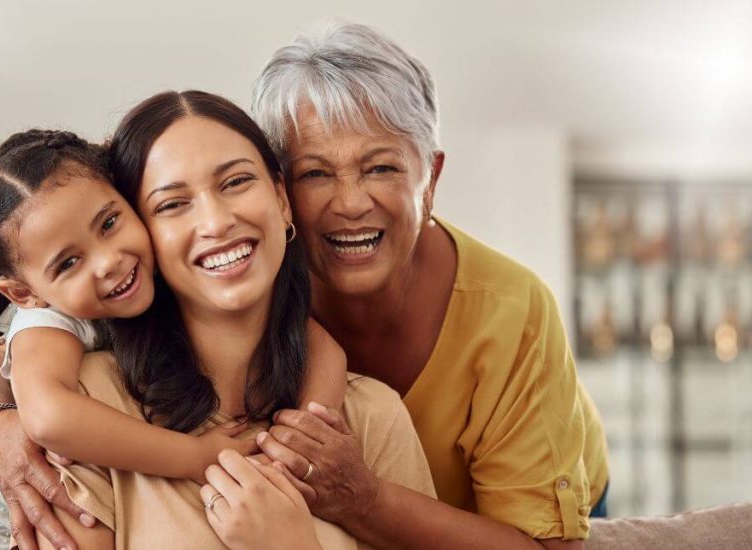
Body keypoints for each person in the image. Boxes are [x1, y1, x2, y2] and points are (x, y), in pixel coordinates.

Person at [234, 21, 609, 548]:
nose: (350, 203)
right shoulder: (248, 288)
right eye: (314, 174)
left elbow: (543, 545)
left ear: (430, 180)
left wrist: (364, 500)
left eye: (381, 167)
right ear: (279, 191)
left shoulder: (512, 309)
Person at [0, 126, 347, 549]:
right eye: (69, 262)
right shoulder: (48, 323)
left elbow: (320, 344)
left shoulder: (159, 278)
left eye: (110, 223)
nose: (108, 262)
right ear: (26, 294)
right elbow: (49, 418)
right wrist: (194, 457)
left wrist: (303, 443)